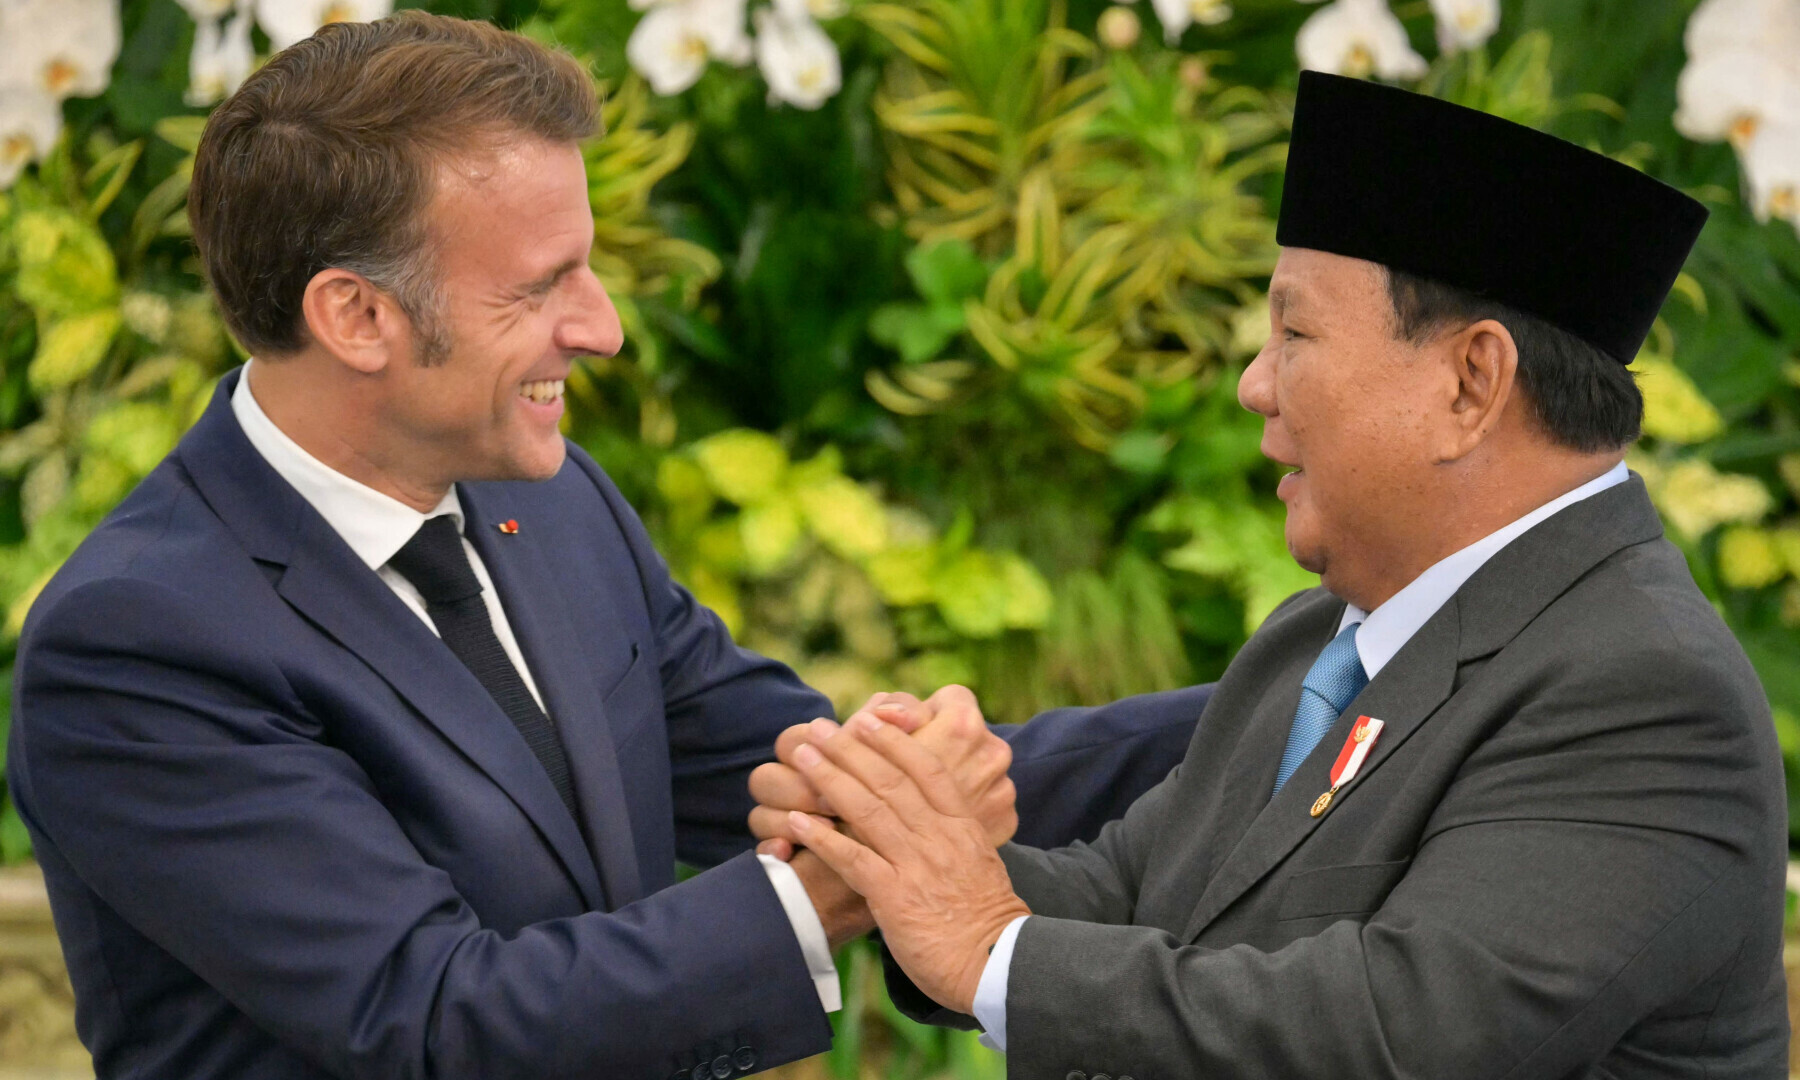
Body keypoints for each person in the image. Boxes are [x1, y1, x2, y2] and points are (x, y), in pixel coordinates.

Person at [4, 14, 1209, 1080]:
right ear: (356, 316)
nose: (605, 328)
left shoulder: (551, 502)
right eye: (540, 287)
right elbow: (434, 1020)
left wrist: (1327, 685)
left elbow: (807, 778)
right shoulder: (139, 646)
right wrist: (813, 896)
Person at [755, 72, 1791, 1078]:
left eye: (1294, 332)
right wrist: (892, 845)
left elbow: (1398, 1034)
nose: (1256, 384)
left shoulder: (1642, 690)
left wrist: (988, 946)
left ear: (1472, 383)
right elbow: (1129, 897)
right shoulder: (1318, 638)